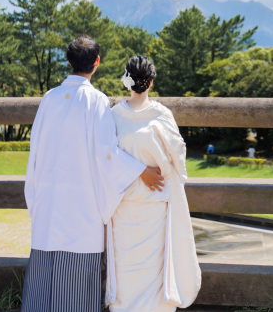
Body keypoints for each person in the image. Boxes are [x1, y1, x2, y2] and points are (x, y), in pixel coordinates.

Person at [21, 36, 165, 312]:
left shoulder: (48, 99)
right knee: (74, 291)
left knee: (43, 286)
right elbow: (107, 155)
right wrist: (140, 171)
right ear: (96, 62)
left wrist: (36, 201)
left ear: (68, 61)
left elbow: (35, 152)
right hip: (80, 212)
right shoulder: (97, 101)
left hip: (48, 207)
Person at [108, 55, 201, 311]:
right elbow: (178, 156)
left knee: (126, 266)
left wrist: (135, 166)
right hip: (155, 202)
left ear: (127, 81)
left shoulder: (113, 115)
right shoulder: (162, 114)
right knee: (154, 268)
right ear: (150, 82)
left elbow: (106, 157)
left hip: (124, 204)